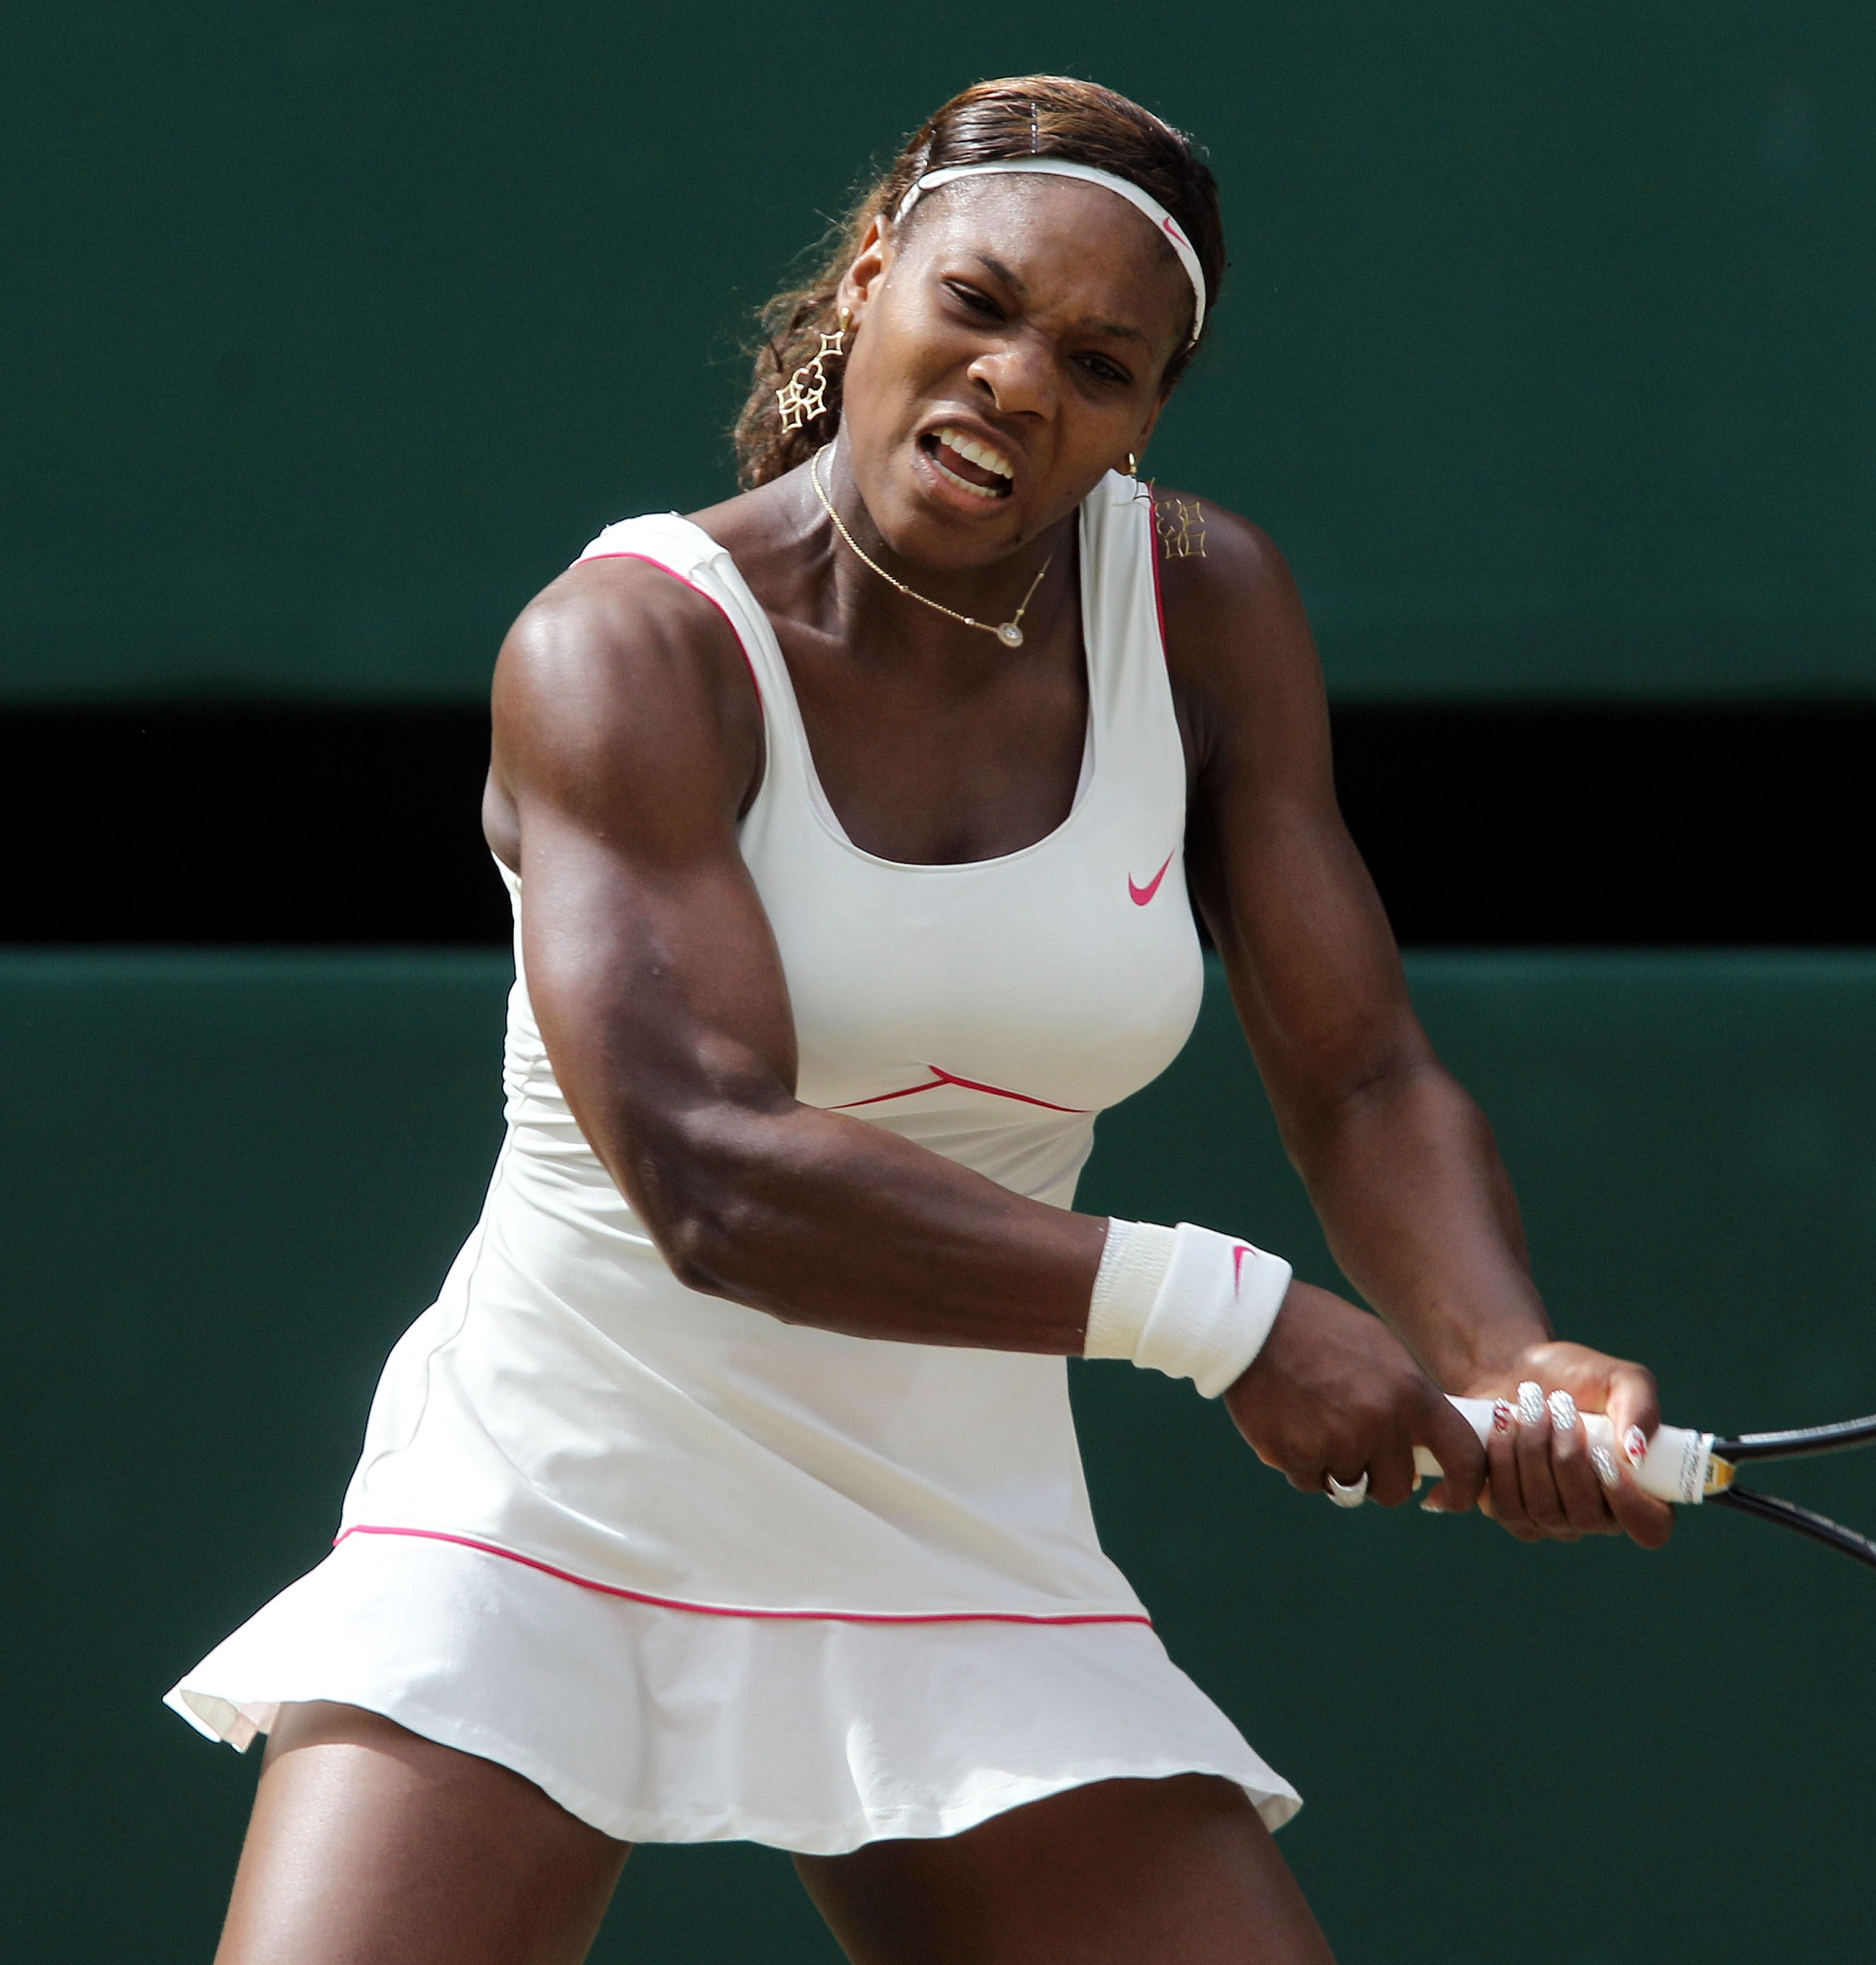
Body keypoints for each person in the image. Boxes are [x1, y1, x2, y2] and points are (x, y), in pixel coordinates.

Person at [168, 73, 1671, 1965]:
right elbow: (711, 1173)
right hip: (560, 1484)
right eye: (978, 304)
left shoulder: (1204, 605)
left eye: (1102, 365)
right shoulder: (624, 648)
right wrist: (1225, 1313)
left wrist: (1501, 1347)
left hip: (951, 1515)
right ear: (872, 275)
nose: (1020, 383)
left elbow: (1357, 1064)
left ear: (1143, 421)